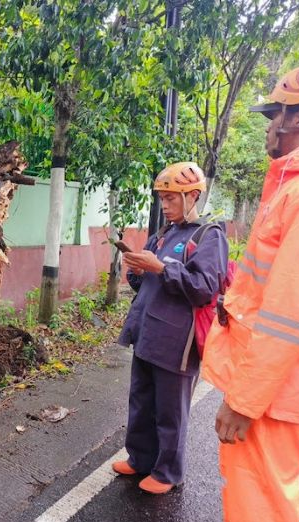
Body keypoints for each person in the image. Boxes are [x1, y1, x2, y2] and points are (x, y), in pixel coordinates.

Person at [202, 60, 299, 522]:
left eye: (274, 113)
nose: (269, 127)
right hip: (274, 383)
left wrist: (244, 400)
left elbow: (290, 313)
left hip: (273, 390)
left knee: (261, 500)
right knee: (256, 493)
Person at [113, 162, 229, 494]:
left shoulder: (209, 236)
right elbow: (147, 284)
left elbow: (205, 287)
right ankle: (140, 458)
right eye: (162, 199)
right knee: (141, 402)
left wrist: (161, 267)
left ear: (193, 196)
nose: (164, 206)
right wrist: (137, 268)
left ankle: (167, 472)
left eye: (171, 199)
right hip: (147, 334)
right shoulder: (164, 234)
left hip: (177, 341)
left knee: (170, 411)